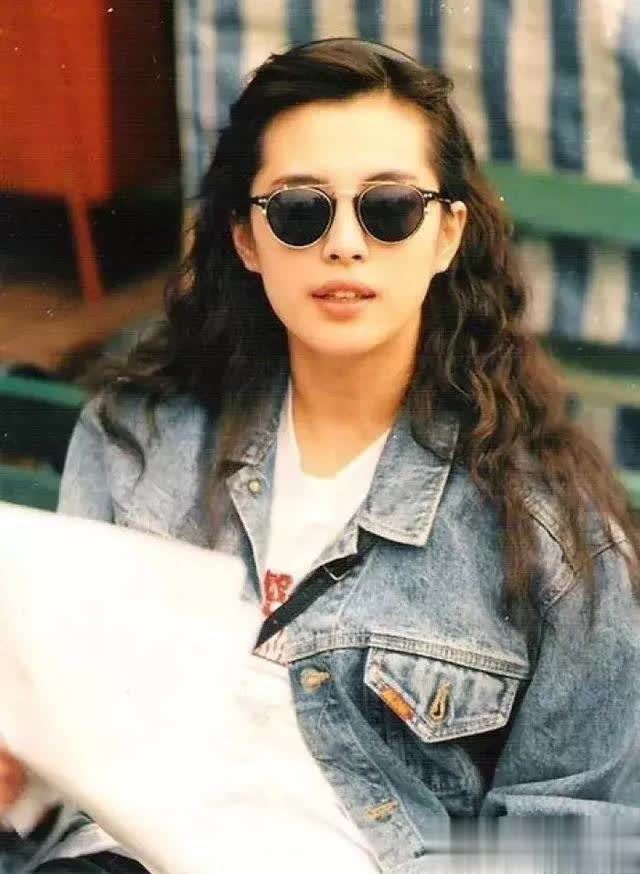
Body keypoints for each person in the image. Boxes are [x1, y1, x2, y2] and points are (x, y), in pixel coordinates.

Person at [1, 37, 640, 873]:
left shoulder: (551, 530)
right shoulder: (137, 440)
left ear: (447, 234)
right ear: (246, 238)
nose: (344, 243)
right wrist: (25, 782)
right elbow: (69, 749)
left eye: (389, 208)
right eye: (300, 211)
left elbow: (581, 834)